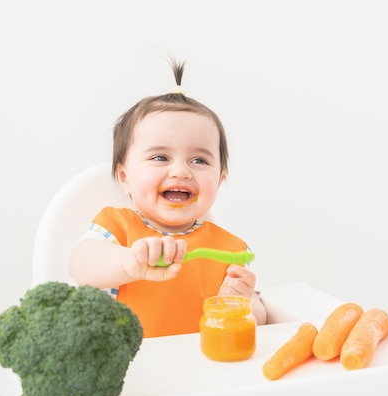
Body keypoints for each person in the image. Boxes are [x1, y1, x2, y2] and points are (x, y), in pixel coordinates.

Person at [68, 59, 266, 337]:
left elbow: (262, 318)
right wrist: (128, 263)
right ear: (125, 177)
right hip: (132, 369)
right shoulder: (116, 227)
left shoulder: (229, 248)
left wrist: (244, 304)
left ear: (220, 179)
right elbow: (80, 264)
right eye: (160, 157)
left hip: (207, 369)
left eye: (199, 160)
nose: (181, 171)